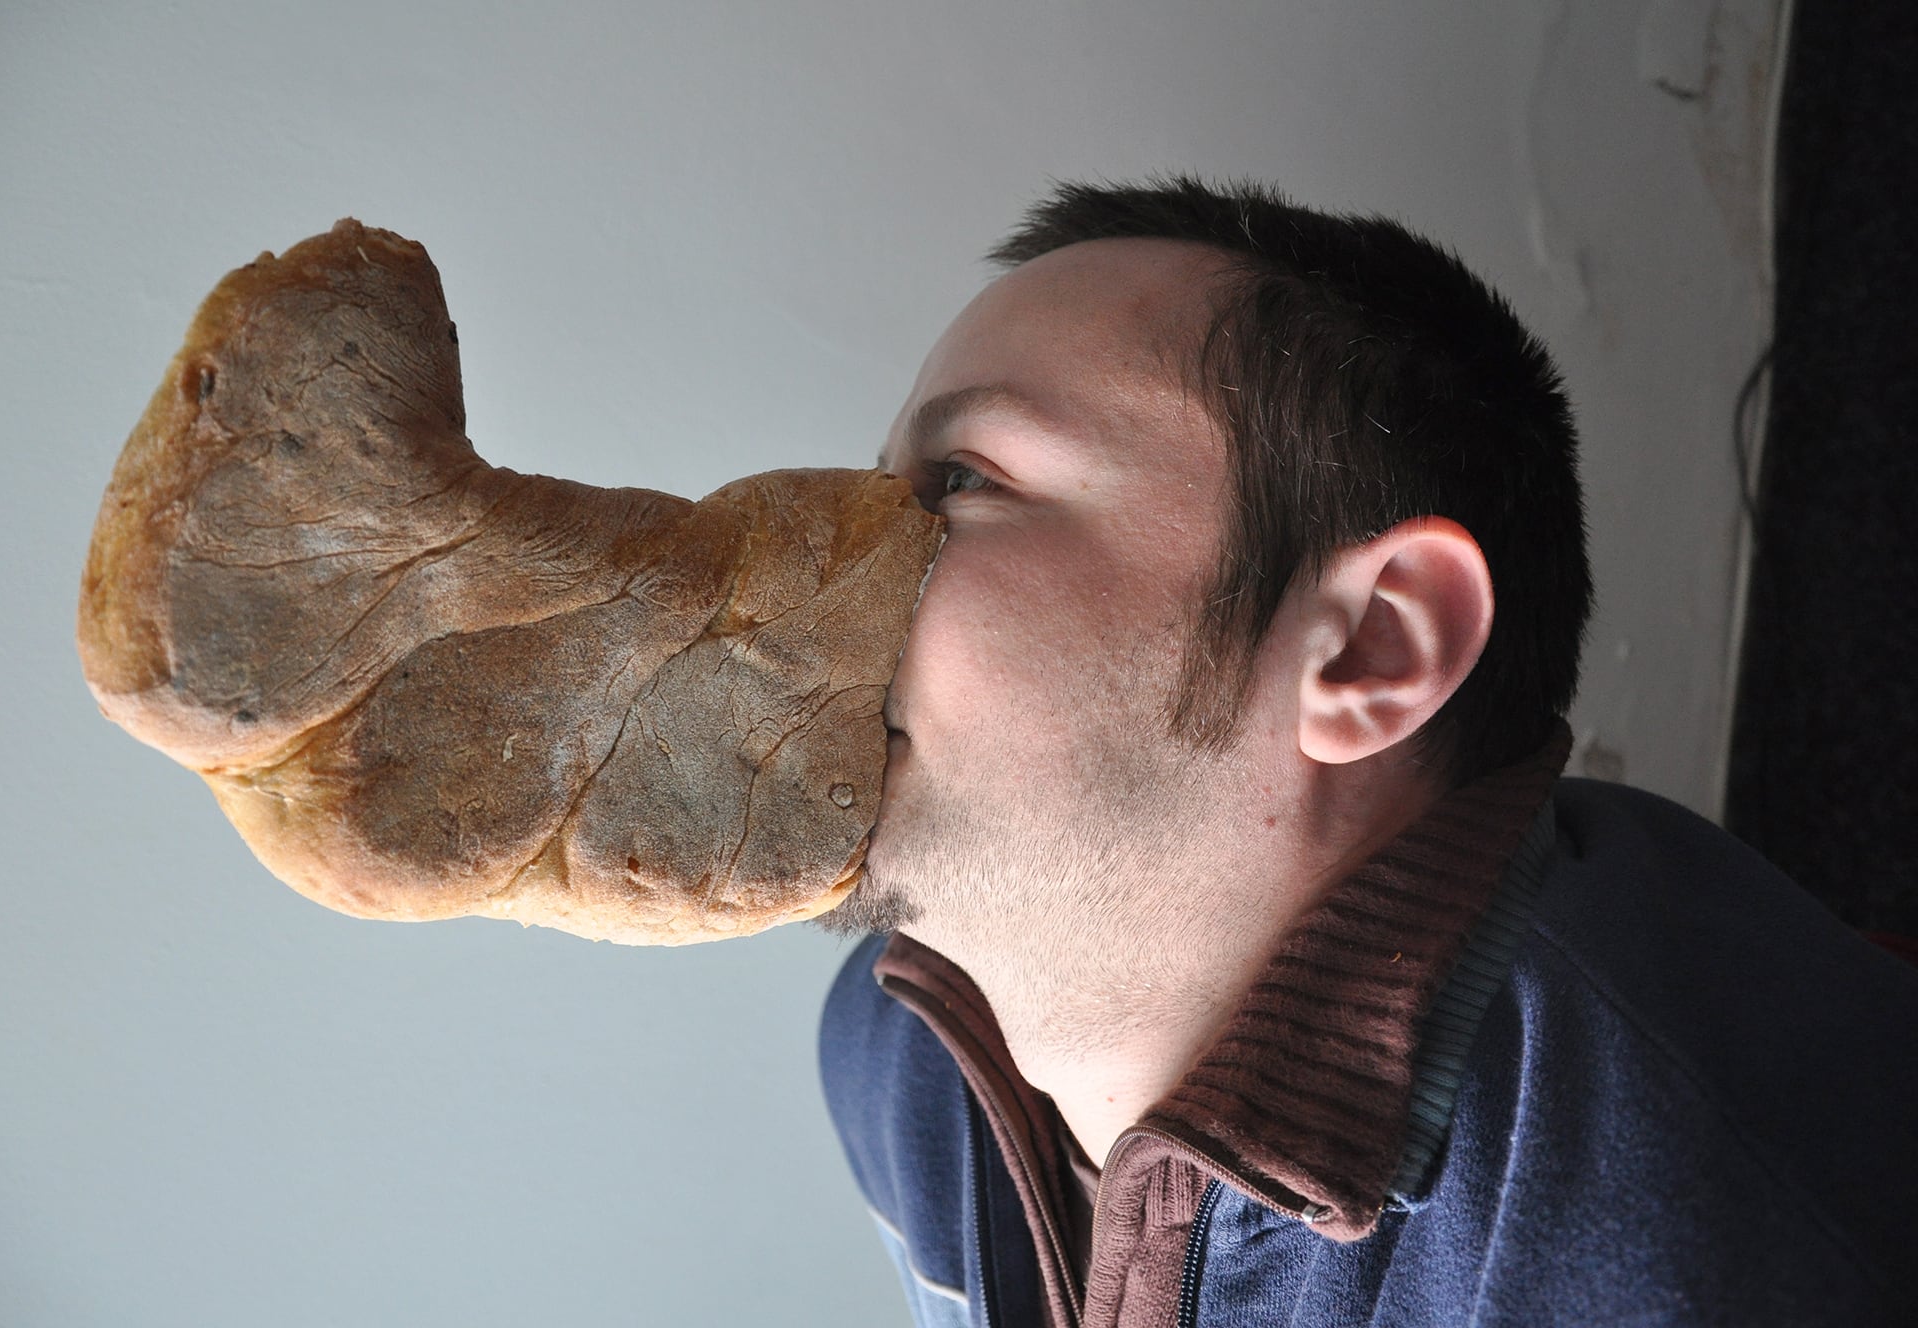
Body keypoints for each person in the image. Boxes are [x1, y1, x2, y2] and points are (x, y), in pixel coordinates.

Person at [813, 177, 1918, 1327]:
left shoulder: (1699, 1258)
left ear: (1372, 646)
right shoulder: (890, 1057)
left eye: (961, 482)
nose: (821, 579)